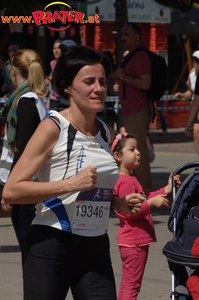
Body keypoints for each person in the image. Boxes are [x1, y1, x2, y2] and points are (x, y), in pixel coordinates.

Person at [1, 45, 144, 300]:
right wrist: (71, 184)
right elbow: (12, 190)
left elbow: (91, 189)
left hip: (96, 246)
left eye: (102, 81)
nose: (98, 88)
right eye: (88, 81)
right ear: (67, 87)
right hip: (52, 245)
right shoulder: (53, 127)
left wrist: (116, 202)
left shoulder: (104, 130)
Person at [111, 132, 181, 300]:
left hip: (133, 241)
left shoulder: (129, 179)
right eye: (132, 149)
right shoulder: (126, 182)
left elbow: (146, 196)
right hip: (134, 242)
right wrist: (151, 203)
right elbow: (132, 213)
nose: (138, 153)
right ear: (118, 156)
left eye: (138, 149)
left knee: (128, 284)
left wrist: (166, 190)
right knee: (132, 286)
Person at [0, 49, 47, 266]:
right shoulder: (25, 98)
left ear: (15, 69)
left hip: (23, 184)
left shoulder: (26, 101)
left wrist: (10, 188)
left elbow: (24, 150)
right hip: (24, 182)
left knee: (29, 251)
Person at [113, 23, 153, 191]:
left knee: (139, 155)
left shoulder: (140, 56)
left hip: (138, 111)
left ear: (137, 36)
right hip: (130, 111)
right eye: (122, 34)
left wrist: (123, 76)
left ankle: (147, 195)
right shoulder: (129, 56)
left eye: (127, 34)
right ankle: (138, 191)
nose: (122, 38)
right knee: (134, 154)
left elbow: (145, 83)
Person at [45, 39, 62, 110]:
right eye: (54, 48)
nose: (56, 50)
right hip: (54, 95)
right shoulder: (52, 63)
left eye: (58, 48)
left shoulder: (65, 63)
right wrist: (48, 81)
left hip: (63, 96)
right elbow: (51, 76)